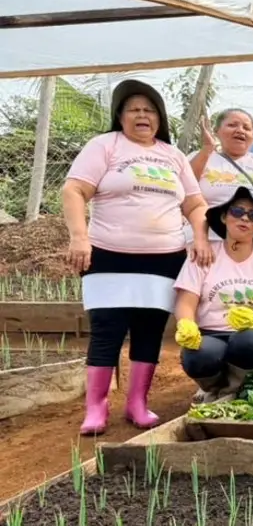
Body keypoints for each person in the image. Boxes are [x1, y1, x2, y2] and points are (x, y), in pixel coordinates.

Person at [61, 79, 213, 435]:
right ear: (120, 116)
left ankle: (137, 403)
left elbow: (195, 204)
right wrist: (79, 237)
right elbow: (74, 189)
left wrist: (200, 236)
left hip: (163, 257)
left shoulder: (173, 155)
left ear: (159, 119)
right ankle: (96, 408)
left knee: (149, 330)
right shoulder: (105, 145)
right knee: (107, 329)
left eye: (149, 110)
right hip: (109, 255)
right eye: (134, 109)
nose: (142, 115)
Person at [173, 187, 253, 401]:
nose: (245, 218)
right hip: (212, 334)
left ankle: (234, 390)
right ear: (224, 217)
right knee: (198, 353)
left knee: (248, 341)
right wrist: (186, 324)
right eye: (237, 212)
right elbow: (186, 303)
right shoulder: (203, 255)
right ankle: (213, 389)